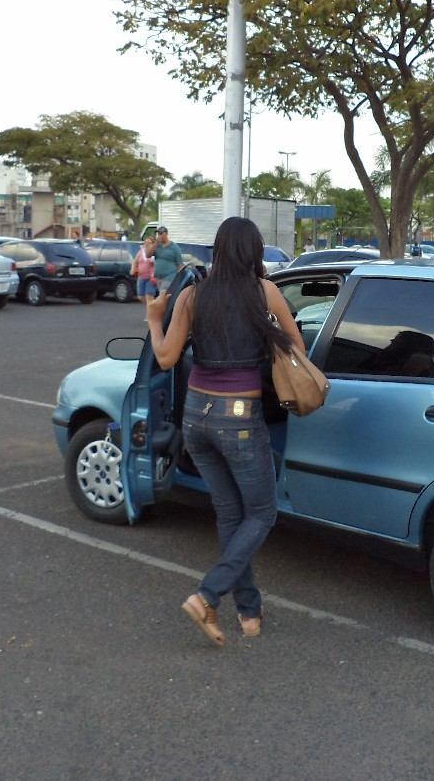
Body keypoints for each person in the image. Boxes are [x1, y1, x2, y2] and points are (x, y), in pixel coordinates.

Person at [146, 216, 302, 646]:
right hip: (240, 418)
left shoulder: (192, 296)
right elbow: (296, 349)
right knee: (263, 513)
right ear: (252, 252)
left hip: (195, 417)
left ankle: (249, 612)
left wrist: (154, 319)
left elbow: (164, 358)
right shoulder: (264, 291)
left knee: (232, 516)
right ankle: (208, 594)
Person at [151, 226, 183, 293]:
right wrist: (155, 243)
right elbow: (147, 255)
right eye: (158, 234)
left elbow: (180, 264)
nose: (159, 236)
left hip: (169, 277)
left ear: (166, 234)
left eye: (161, 234)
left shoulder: (174, 247)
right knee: (164, 299)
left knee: (163, 295)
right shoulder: (157, 246)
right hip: (158, 278)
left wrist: (179, 279)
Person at [131, 236, 157, 305]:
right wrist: (133, 269)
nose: (147, 244)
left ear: (152, 244)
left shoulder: (153, 252)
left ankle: (151, 312)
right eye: (145, 242)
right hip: (141, 277)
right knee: (140, 297)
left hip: (150, 278)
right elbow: (135, 261)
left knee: (149, 297)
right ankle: (151, 308)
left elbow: (158, 263)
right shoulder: (140, 252)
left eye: (149, 243)